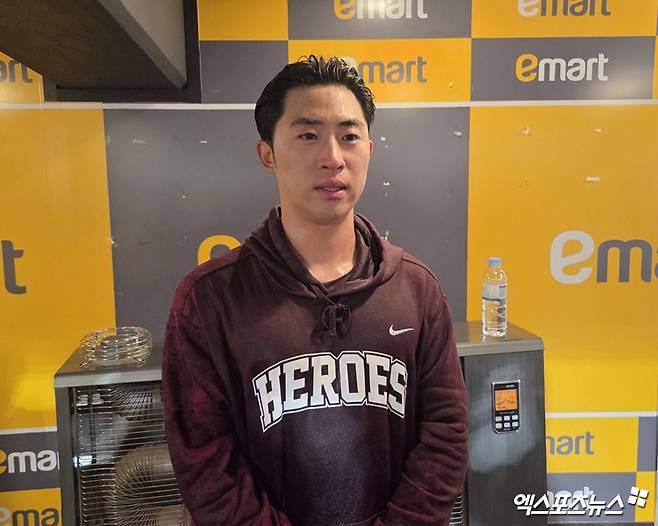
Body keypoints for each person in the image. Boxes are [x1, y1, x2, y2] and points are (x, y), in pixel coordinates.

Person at [162, 55, 468, 526]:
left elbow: (446, 431)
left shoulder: (415, 287)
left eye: (349, 136)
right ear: (267, 153)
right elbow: (204, 459)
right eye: (308, 135)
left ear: (370, 149)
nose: (333, 157)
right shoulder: (209, 299)